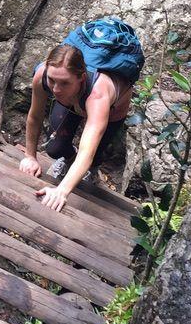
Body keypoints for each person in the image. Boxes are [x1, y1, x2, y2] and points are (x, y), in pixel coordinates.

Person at [19, 42, 132, 213]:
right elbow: (35, 116)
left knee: (93, 156)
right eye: (52, 80)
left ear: (82, 77)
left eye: (64, 83)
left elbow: (87, 151)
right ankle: (70, 159)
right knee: (55, 148)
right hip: (71, 101)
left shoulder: (98, 96)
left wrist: (61, 191)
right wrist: (30, 156)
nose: (56, 89)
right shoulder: (42, 75)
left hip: (111, 111)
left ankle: (90, 172)